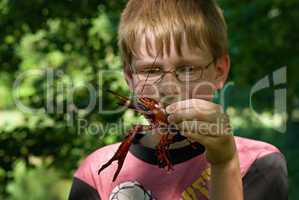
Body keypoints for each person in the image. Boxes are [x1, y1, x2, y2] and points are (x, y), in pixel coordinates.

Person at [68, 0, 288, 199]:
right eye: (151, 71)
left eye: (188, 69)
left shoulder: (259, 163)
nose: (168, 88)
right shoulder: (95, 175)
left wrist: (224, 163)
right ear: (129, 77)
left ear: (219, 71)